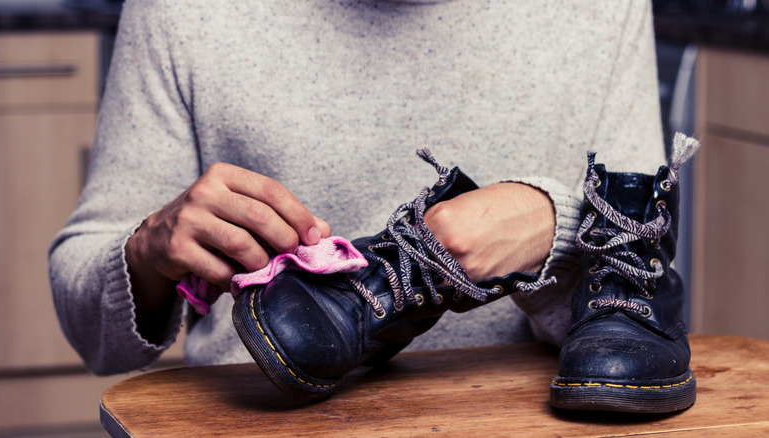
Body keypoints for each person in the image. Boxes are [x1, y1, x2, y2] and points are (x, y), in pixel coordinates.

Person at [49, 0, 665, 376]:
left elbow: (646, 302)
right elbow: (93, 338)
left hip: (513, 418)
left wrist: (549, 226)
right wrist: (147, 251)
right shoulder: (180, 11)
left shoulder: (604, 8)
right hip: (256, 422)